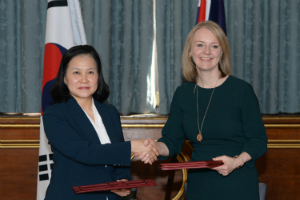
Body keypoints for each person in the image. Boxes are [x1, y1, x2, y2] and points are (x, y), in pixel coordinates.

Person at [144, 21, 268, 200]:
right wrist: (155, 148)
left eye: (214, 46)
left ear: (222, 52)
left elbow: (258, 140)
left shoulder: (241, 90)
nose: (207, 52)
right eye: (200, 45)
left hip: (237, 181)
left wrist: (237, 161)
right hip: (200, 185)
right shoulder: (183, 93)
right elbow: (171, 140)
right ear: (190, 51)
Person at [43, 45, 158, 200]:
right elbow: (86, 152)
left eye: (90, 72)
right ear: (64, 78)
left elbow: (119, 161)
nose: (84, 79)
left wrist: (123, 181)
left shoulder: (109, 112)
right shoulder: (54, 114)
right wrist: (133, 146)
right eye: (76, 72)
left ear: (98, 76)